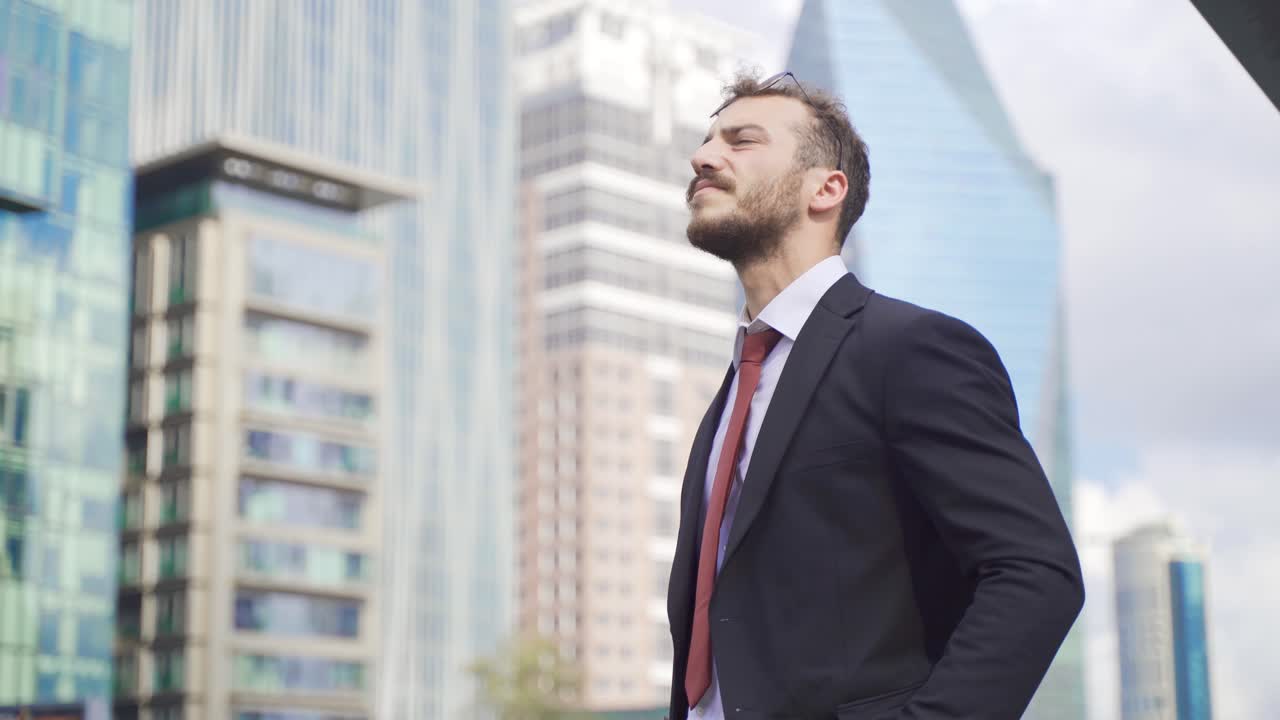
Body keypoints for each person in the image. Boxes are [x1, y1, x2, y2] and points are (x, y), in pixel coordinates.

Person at [666, 71, 1084, 720]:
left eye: (741, 140)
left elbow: (1035, 574)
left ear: (826, 188)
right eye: (706, 141)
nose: (703, 157)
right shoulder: (729, 399)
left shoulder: (910, 349)